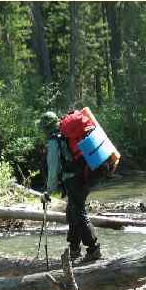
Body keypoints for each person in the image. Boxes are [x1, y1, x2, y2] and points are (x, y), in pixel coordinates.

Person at [38, 111, 102, 262]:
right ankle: (74, 249)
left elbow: (53, 169)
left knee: (78, 213)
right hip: (85, 174)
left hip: (73, 180)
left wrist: (48, 192)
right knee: (72, 212)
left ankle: (93, 249)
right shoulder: (66, 135)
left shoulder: (54, 141)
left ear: (46, 128)